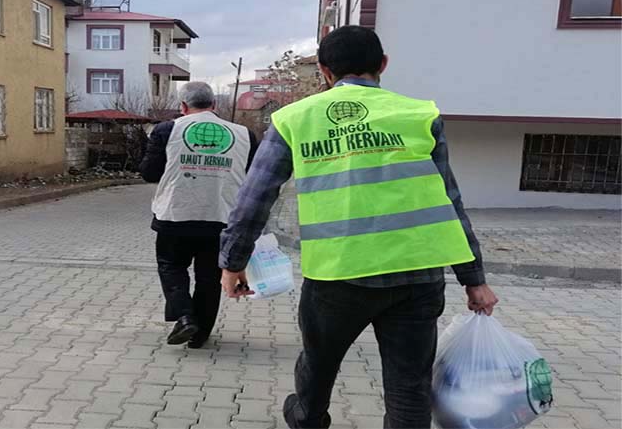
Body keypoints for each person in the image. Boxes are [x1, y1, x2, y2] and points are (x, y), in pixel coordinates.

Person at [218, 26, 499, 429]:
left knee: (318, 367)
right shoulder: (419, 115)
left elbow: (255, 196)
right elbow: (450, 201)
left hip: (337, 276)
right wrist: (474, 280)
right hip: (417, 277)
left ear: (324, 71)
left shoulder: (294, 119)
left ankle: (307, 418)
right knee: (409, 389)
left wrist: (233, 262)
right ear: (383, 65)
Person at [140, 81, 258, 349]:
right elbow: (252, 177)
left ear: (183, 106)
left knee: (172, 266)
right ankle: (200, 334)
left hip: (175, 215)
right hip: (221, 217)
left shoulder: (167, 130)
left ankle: (184, 316)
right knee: (209, 277)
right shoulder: (244, 134)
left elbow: (149, 172)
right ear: (214, 105)